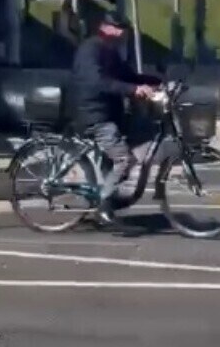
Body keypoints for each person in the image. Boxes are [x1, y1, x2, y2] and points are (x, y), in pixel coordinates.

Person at [69, 11, 162, 221]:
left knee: (117, 156)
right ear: (106, 28)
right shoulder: (90, 50)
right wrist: (132, 90)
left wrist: (156, 81)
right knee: (123, 159)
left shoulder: (109, 51)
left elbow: (127, 76)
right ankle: (104, 204)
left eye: (124, 30)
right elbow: (98, 81)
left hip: (107, 113)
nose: (122, 34)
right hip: (92, 115)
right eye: (118, 29)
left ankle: (108, 194)